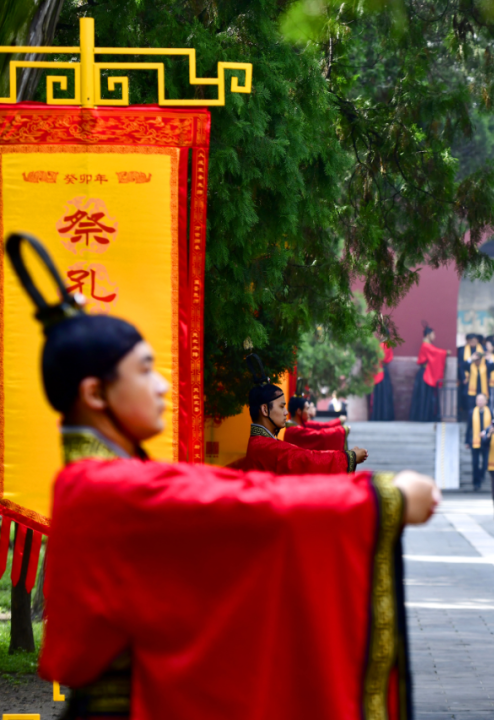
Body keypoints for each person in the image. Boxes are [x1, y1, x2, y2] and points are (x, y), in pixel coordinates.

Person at [6, 232, 439, 720]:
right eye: (145, 371)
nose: (163, 384)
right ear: (95, 394)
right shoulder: (103, 487)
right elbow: (240, 502)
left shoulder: (105, 477)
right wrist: (382, 500)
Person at [243, 356, 368, 474]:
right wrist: (350, 457)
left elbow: (317, 430)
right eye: (281, 407)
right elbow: (308, 458)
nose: (286, 412)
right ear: (265, 410)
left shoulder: (260, 443)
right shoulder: (266, 446)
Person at [408, 324, 447, 421]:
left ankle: (426, 416)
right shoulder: (426, 345)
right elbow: (436, 352)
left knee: (426, 396)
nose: (434, 336)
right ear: (428, 335)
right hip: (425, 374)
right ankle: (423, 417)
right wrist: (446, 353)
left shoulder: (427, 345)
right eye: (433, 334)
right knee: (424, 396)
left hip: (425, 373)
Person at [283, 395, 349, 451]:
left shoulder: (298, 426)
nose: (309, 412)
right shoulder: (292, 431)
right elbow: (320, 436)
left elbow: (323, 427)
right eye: (307, 408)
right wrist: (343, 430)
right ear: (299, 411)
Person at [468, 393, 493, 492]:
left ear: (486, 401)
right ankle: (476, 482)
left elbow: (492, 426)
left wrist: (486, 433)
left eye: (482, 400)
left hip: (486, 441)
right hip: (475, 440)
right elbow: (469, 427)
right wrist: (467, 441)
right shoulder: (471, 412)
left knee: (485, 462)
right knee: (475, 462)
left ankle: (482, 476)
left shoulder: (490, 412)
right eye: (478, 400)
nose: (480, 402)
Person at [369, 339, 395, 420]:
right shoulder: (387, 344)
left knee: (379, 395)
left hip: (379, 372)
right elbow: (389, 358)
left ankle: (378, 416)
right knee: (384, 395)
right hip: (383, 371)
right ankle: (385, 416)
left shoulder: (382, 345)